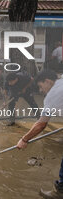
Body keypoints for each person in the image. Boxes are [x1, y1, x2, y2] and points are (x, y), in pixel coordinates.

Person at [17, 70, 63, 199]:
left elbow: (41, 124)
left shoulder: (53, 95)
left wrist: (24, 139)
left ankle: (60, 192)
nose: (41, 90)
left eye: (41, 86)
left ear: (48, 81)